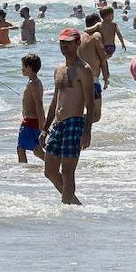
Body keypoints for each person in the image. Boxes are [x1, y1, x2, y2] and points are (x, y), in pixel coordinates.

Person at [41, 28, 96, 205]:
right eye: (62, 43)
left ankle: (67, 209)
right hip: (58, 124)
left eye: (68, 43)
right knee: (49, 170)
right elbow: (54, 101)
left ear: (77, 43)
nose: (64, 46)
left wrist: (87, 131)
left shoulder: (84, 69)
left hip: (75, 122)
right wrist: (45, 129)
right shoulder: (58, 69)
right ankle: (74, 203)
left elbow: (90, 103)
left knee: (67, 171)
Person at [17, 53, 45, 163]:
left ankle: (22, 171)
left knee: (21, 148)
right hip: (32, 121)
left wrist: (42, 124)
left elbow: (39, 104)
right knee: (37, 150)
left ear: (29, 68)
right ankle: (52, 164)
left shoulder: (33, 83)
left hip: (30, 122)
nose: (22, 69)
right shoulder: (34, 82)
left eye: (23, 66)